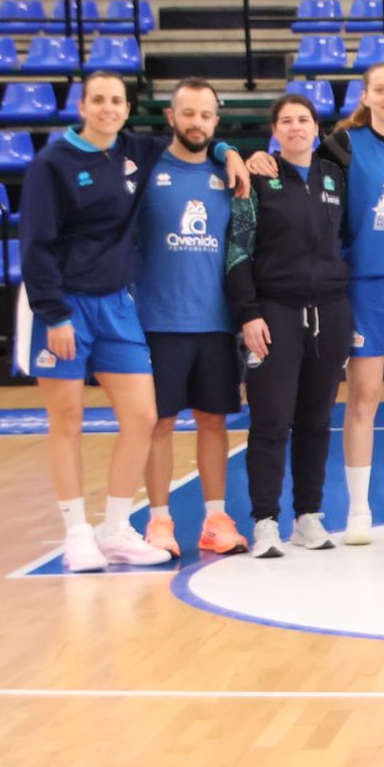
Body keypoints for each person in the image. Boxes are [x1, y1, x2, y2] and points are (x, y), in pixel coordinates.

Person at [18, 71, 248, 572]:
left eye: (117, 101)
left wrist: (228, 149)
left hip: (117, 304)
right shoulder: (52, 163)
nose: (108, 108)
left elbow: (198, 138)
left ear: (126, 109)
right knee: (68, 419)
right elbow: (34, 244)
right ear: (82, 106)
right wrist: (53, 312)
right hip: (63, 304)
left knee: (142, 418)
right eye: (99, 100)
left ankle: (117, 529)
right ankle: (77, 533)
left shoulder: (134, 152)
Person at [250, 62, 384, 545]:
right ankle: (359, 510)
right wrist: (254, 156)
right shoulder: (342, 146)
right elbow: (297, 162)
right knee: (363, 398)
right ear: (365, 96)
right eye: (379, 89)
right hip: (367, 284)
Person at [226, 94, 353, 557]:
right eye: (286, 121)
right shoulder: (257, 177)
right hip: (274, 312)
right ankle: (265, 520)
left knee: (316, 421)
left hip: (330, 311)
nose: (296, 127)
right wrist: (248, 313)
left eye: (303, 119)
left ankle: (308, 516)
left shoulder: (333, 175)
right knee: (271, 420)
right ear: (275, 131)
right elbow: (238, 250)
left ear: (316, 128)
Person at [134, 79, 248, 558]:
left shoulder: (229, 174)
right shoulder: (146, 169)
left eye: (205, 115)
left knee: (213, 422)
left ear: (216, 121)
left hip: (215, 322)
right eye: (188, 113)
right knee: (158, 424)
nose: (196, 123)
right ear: (171, 117)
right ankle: (159, 521)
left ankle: (215, 521)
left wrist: (230, 152)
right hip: (158, 321)